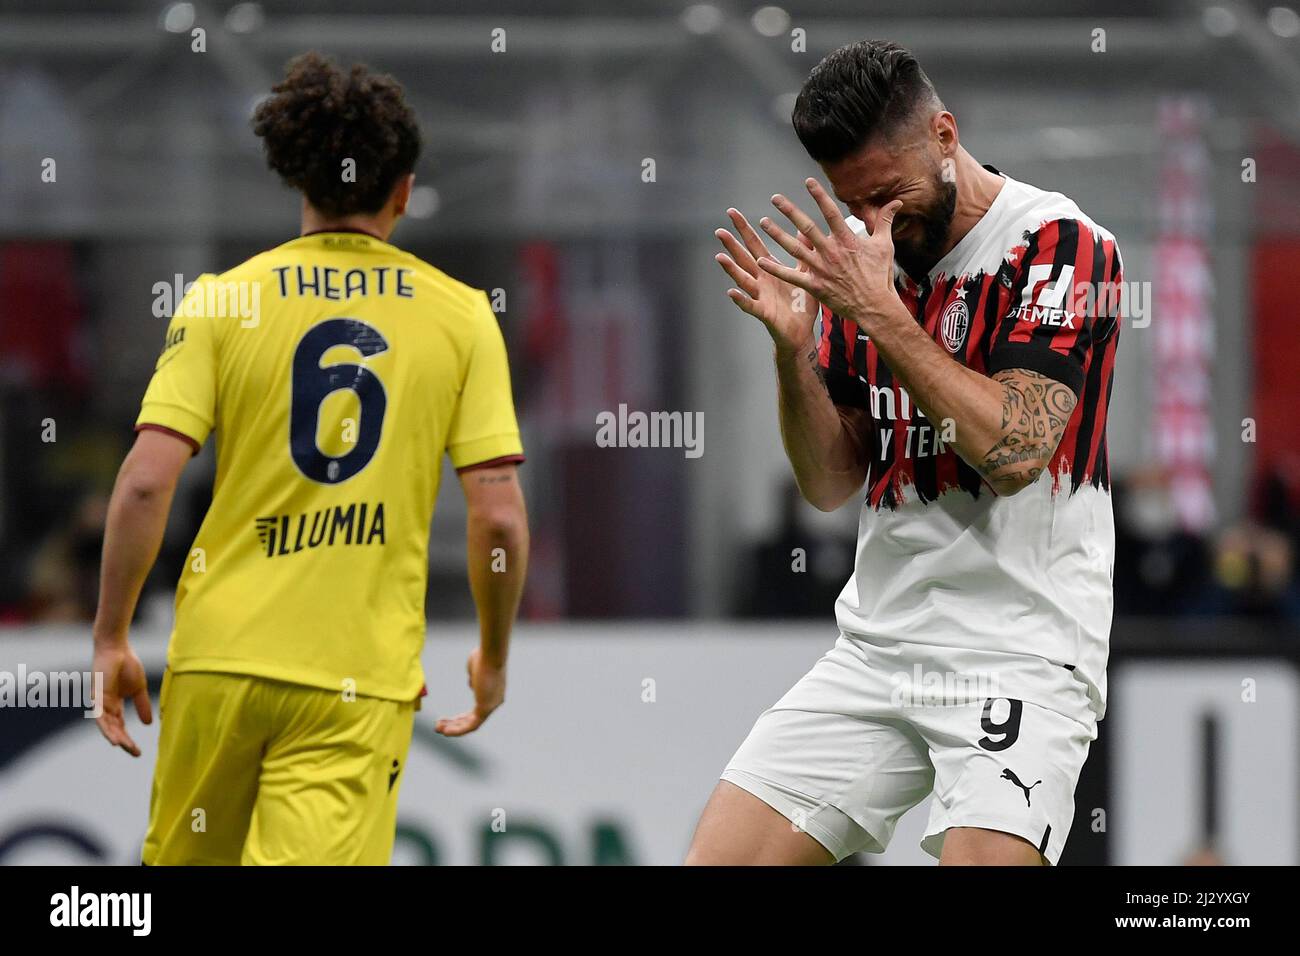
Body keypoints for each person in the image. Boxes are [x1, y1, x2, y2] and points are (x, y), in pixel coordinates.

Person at [690, 39, 1122, 865]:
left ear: (946, 136)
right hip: (880, 645)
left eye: (890, 194)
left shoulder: (1062, 248)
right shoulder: (866, 268)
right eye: (858, 206)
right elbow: (828, 481)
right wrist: (792, 355)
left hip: (1019, 649)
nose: (878, 223)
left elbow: (1016, 450)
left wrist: (880, 312)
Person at [90, 52, 529, 865]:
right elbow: (498, 512)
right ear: (403, 189)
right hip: (350, 679)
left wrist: (111, 636)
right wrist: (494, 655)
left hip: (217, 661)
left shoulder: (221, 300)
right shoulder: (463, 316)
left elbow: (147, 481)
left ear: (298, 181)